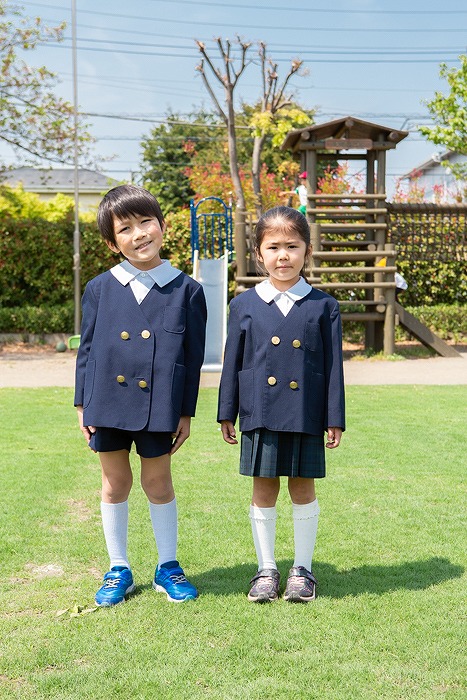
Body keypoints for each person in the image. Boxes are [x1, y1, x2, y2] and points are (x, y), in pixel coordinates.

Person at [74, 184, 207, 607]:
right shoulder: (99, 288)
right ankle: (119, 568)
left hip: (161, 405)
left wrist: (186, 411)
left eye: (146, 221)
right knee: (115, 484)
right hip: (107, 403)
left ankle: (168, 566)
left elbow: (193, 357)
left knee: (158, 482)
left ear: (163, 226)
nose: (139, 234)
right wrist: (82, 403)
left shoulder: (187, 290)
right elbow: (88, 349)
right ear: (113, 242)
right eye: (125, 228)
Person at [217, 206, 345, 603]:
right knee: (263, 489)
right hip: (260, 409)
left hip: (306, 411)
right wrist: (227, 411)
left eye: (293, 246)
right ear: (259, 253)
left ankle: (302, 571)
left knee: (303, 489)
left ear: (308, 251)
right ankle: (266, 569)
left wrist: (334, 417)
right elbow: (232, 363)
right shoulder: (243, 304)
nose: (283, 255)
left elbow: (333, 366)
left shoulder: (324, 306)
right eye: (273, 247)